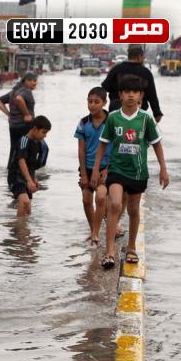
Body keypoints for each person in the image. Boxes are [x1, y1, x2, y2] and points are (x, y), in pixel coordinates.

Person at [91, 75, 169, 269]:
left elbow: (157, 144)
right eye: (127, 92)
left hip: (138, 172)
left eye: (135, 92)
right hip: (116, 170)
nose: (131, 96)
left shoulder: (146, 119)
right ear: (121, 95)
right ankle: (109, 251)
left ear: (141, 96)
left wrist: (163, 169)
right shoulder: (113, 118)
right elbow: (102, 145)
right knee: (115, 204)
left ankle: (131, 247)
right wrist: (95, 169)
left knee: (133, 210)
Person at [74, 87, 110, 247]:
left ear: (104, 103)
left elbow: (116, 147)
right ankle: (93, 230)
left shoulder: (111, 121)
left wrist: (108, 169)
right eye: (90, 101)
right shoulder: (83, 123)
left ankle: (96, 232)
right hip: (87, 168)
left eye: (97, 102)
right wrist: (83, 174)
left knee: (101, 197)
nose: (93, 105)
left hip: (105, 168)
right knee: (86, 200)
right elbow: (81, 150)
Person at [0, 71, 38, 187]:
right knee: (26, 150)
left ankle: (11, 171)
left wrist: (9, 114)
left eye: (36, 81)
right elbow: (19, 99)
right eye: (33, 81)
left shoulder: (13, 91)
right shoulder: (26, 91)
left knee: (14, 149)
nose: (35, 83)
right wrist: (26, 114)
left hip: (13, 126)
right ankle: (27, 175)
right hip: (24, 126)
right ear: (26, 81)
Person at [102, 45, 163, 122]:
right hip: (138, 114)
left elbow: (104, 87)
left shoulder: (116, 69)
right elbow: (152, 95)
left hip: (116, 113)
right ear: (140, 56)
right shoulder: (146, 73)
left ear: (129, 55)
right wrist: (157, 113)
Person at [10, 115, 51, 217]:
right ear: (35, 129)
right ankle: (18, 227)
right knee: (25, 202)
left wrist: (34, 179)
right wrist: (29, 180)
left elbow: (31, 165)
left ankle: (21, 228)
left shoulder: (38, 144)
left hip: (27, 177)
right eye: (44, 132)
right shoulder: (24, 140)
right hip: (16, 176)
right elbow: (21, 161)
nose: (45, 136)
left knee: (28, 210)